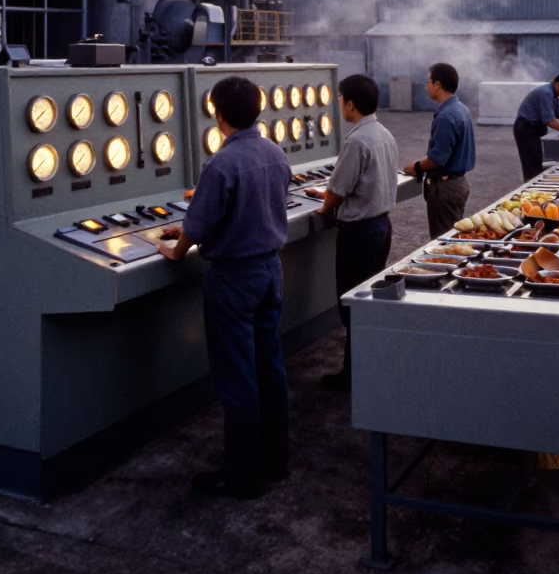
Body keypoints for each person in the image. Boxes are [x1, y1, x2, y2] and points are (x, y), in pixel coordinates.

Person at [157, 74, 291, 499]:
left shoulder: (220, 164)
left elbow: (195, 228)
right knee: (270, 368)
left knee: (237, 380)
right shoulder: (274, 151)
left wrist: (175, 252)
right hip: (270, 270)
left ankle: (242, 475)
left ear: (217, 114)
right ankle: (276, 460)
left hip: (233, 278)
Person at [304, 74, 399, 392]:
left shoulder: (356, 140)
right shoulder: (383, 133)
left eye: (341, 99)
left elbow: (339, 190)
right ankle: (369, 363)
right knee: (369, 299)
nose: (339, 105)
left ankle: (354, 375)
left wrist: (323, 205)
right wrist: (327, 193)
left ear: (350, 104)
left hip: (358, 232)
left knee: (354, 303)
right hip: (381, 226)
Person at [403, 63, 476, 238]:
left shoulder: (446, 116)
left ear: (438, 84)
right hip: (458, 184)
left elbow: (438, 158)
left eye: (428, 82)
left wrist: (417, 166)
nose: (426, 86)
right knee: (454, 237)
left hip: (445, 189)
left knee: (444, 244)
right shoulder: (461, 109)